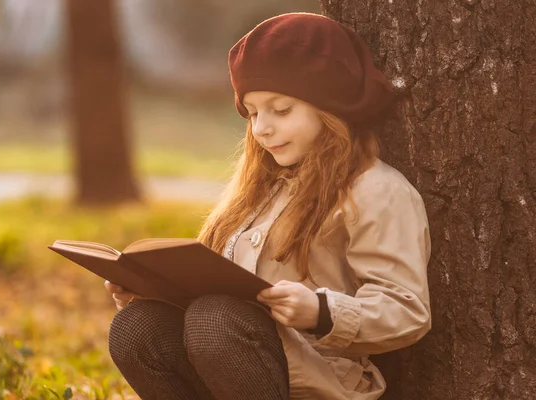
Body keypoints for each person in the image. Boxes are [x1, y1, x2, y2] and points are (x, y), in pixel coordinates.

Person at [104, 12, 431, 400]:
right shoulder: (261, 190)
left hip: (317, 379)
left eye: (281, 109)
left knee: (215, 319)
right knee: (137, 325)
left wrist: (321, 312)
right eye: (253, 112)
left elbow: (406, 309)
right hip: (231, 366)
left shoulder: (376, 189)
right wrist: (148, 290)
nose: (262, 128)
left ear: (330, 107)